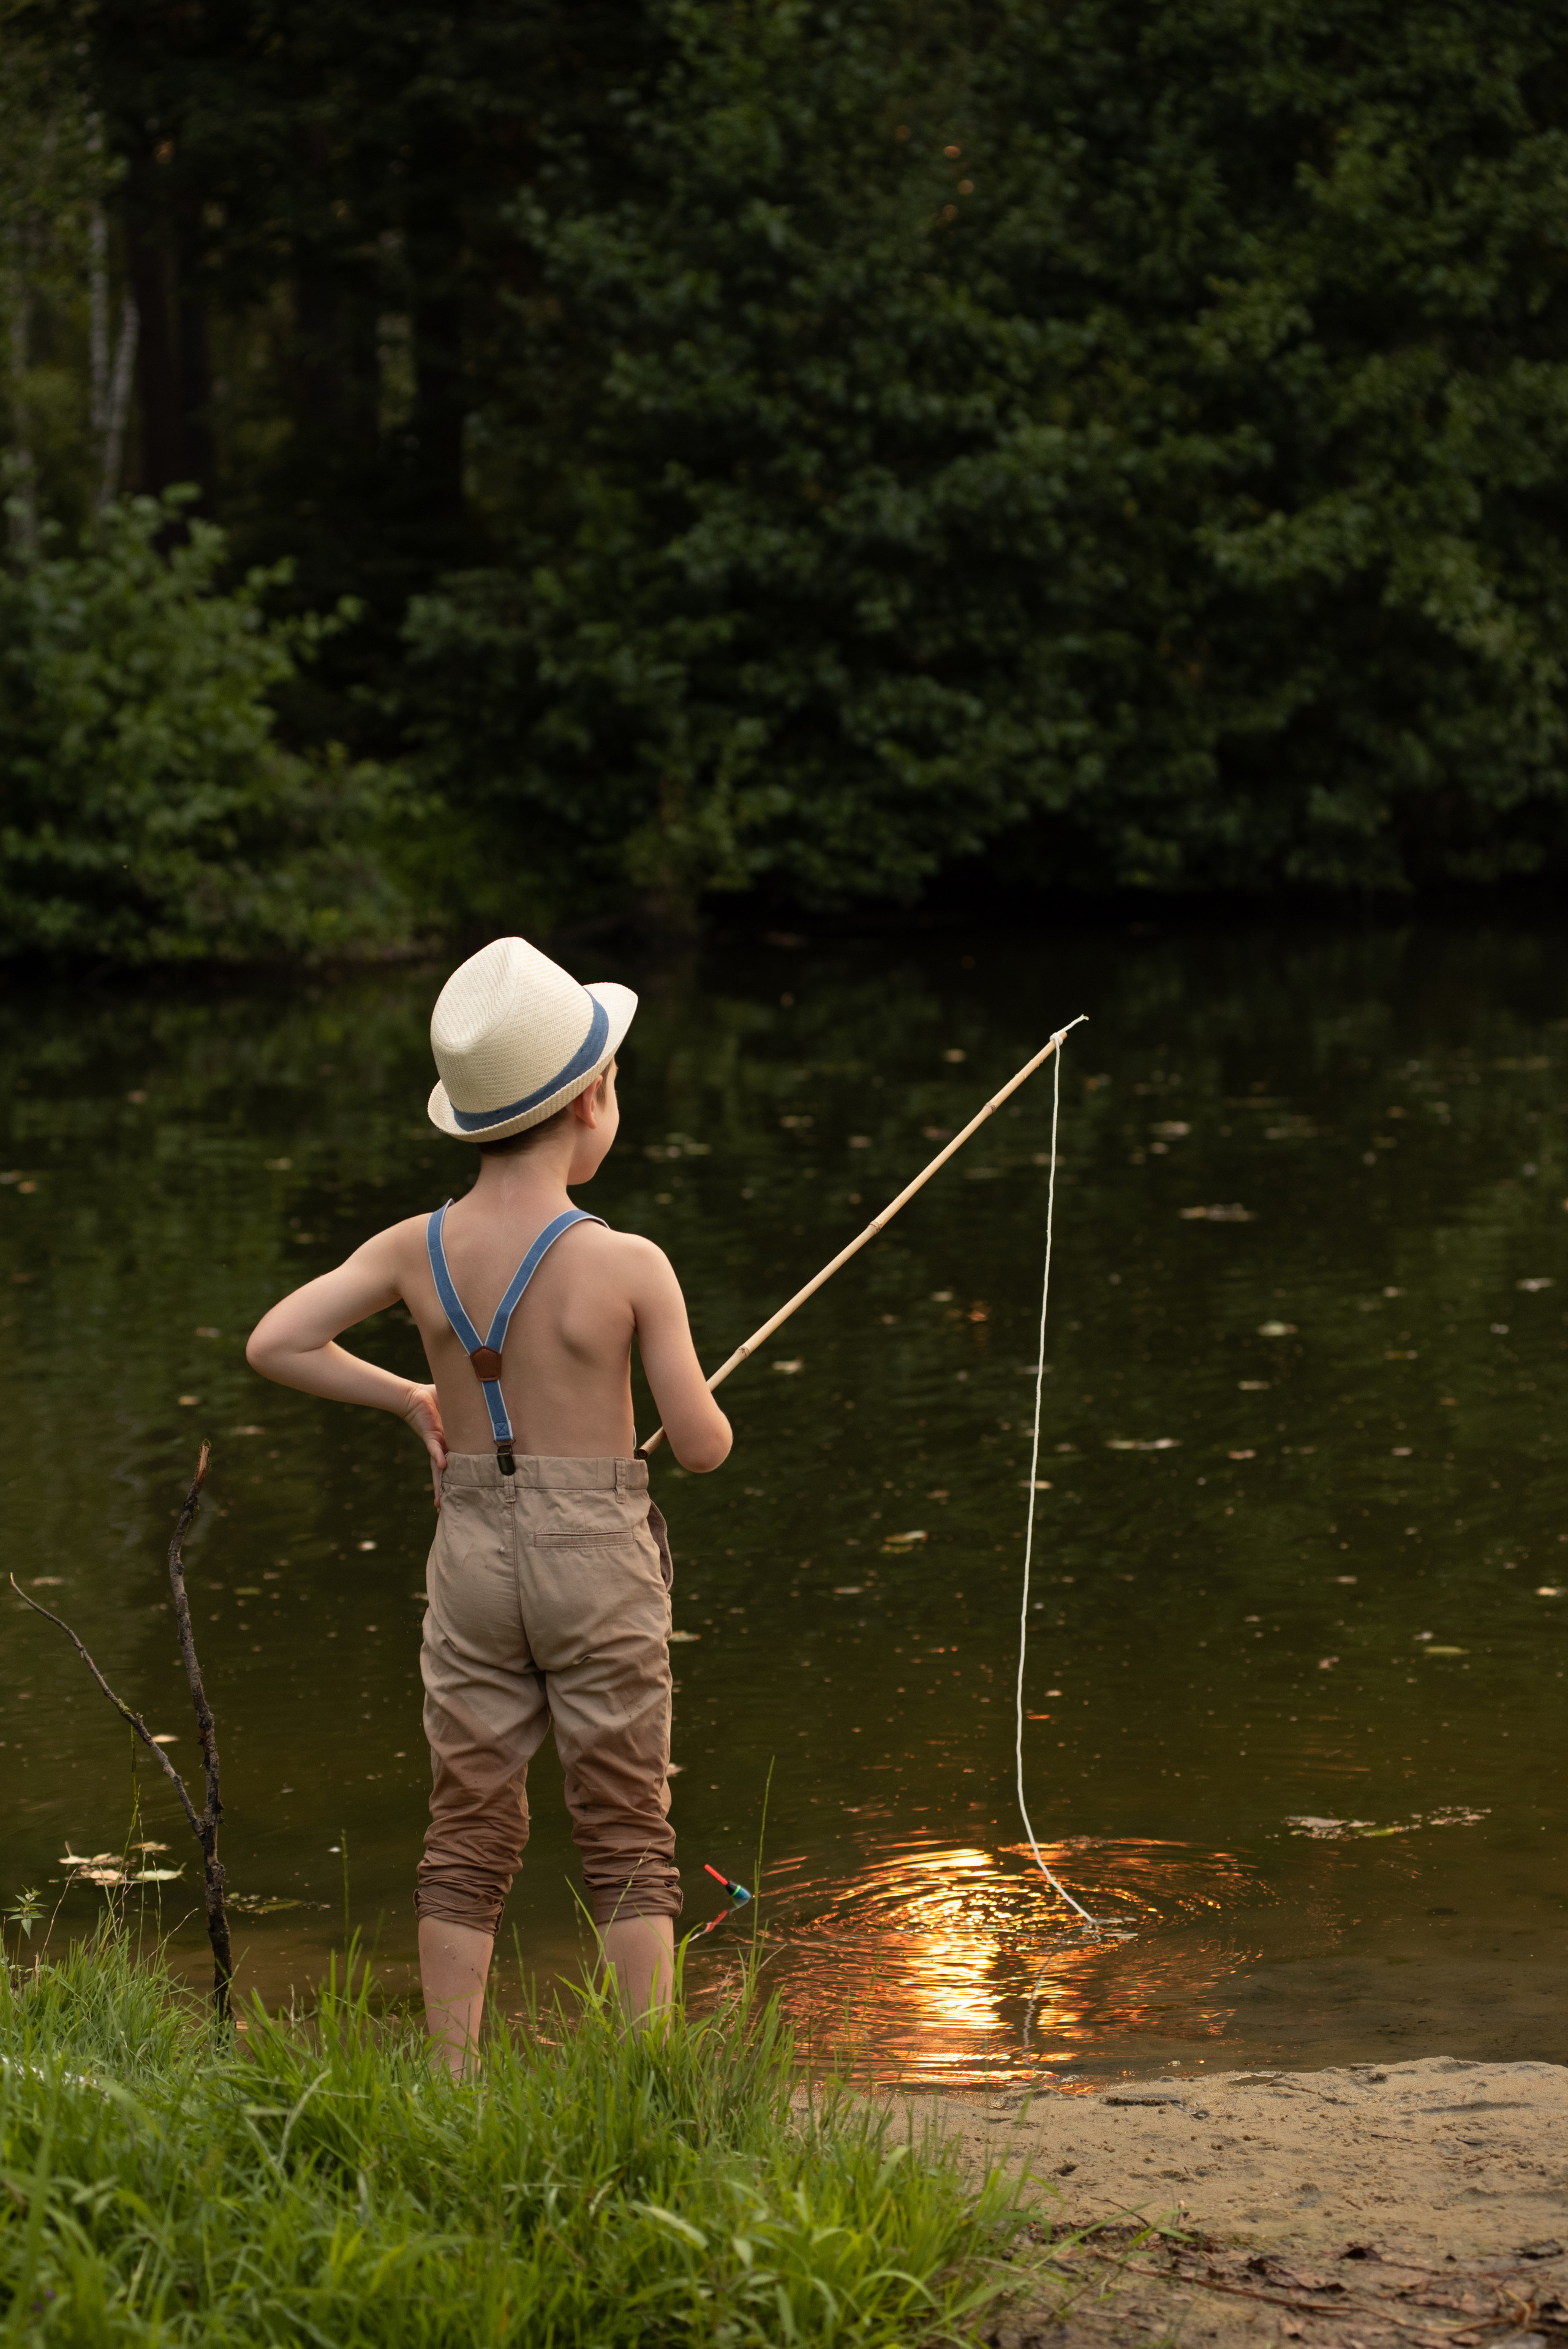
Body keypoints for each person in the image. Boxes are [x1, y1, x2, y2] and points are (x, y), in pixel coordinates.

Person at [246, 937, 731, 2071]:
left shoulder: (418, 1247)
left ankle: (451, 2075)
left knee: (468, 1821)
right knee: (623, 1826)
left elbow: (277, 1340)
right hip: (598, 1560)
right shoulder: (632, 1263)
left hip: (469, 1556)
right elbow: (700, 1446)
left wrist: (412, 1393)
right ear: (592, 1103)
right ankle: (647, 2070)